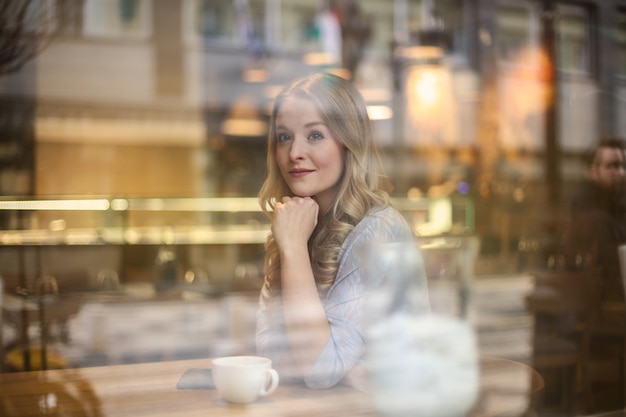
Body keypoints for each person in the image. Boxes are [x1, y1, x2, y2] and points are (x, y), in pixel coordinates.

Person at [255, 72, 430, 390]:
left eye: (315, 135)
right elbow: (269, 347)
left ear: (348, 143)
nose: (294, 152)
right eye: (284, 137)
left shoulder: (378, 230)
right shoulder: (301, 222)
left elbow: (319, 369)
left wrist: (293, 248)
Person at [563, 137, 626, 302]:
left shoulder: (618, 202)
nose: (620, 172)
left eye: (622, 166)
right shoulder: (590, 211)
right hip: (600, 301)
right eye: (612, 166)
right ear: (592, 171)